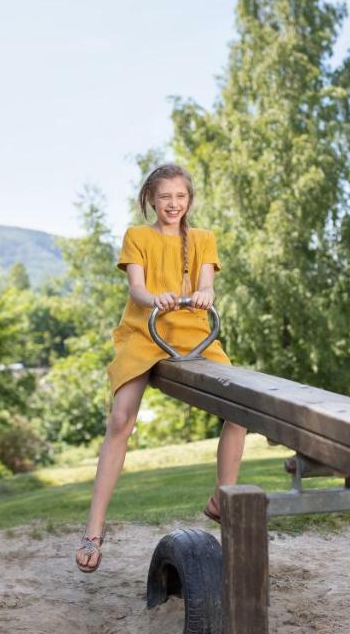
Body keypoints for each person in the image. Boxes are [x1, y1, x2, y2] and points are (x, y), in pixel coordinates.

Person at [75, 163, 248, 573]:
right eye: (165, 197)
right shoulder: (138, 237)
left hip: (193, 333)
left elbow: (206, 284)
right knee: (121, 419)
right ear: (151, 199)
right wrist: (157, 297)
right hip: (145, 331)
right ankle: (94, 529)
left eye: (180, 197)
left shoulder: (203, 239)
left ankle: (222, 497)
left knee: (240, 410)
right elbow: (136, 289)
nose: (173, 204)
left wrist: (202, 295)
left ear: (189, 200)